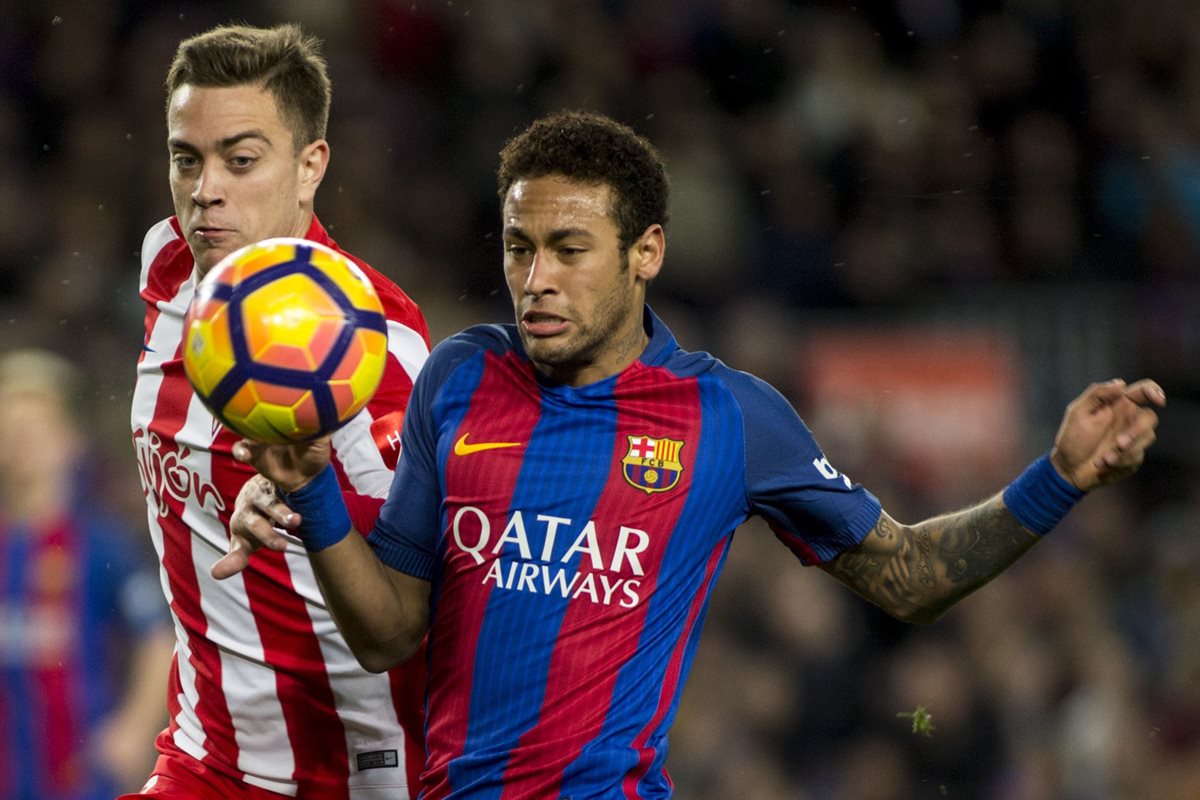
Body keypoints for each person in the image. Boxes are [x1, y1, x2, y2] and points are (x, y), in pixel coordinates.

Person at [226, 110, 1164, 799]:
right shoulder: (459, 377)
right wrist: (314, 493)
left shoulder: (729, 418)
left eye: (569, 249)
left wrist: (1058, 479)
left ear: (647, 252)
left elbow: (910, 576)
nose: (535, 279)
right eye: (518, 248)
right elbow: (390, 631)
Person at [126, 23, 431, 800]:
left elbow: (410, 621)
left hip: (351, 775)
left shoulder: (375, 347)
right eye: (186, 159)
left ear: (310, 166)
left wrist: (310, 500)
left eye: (241, 160)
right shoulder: (168, 270)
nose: (205, 190)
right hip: (203, 758)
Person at [0, 349, 175, 800]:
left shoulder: (101, 544)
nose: (23, 442)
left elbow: (158, 636)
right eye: (12, 429)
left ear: (70, 439)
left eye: (37, 428)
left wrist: (133, 730)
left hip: (80, 778)